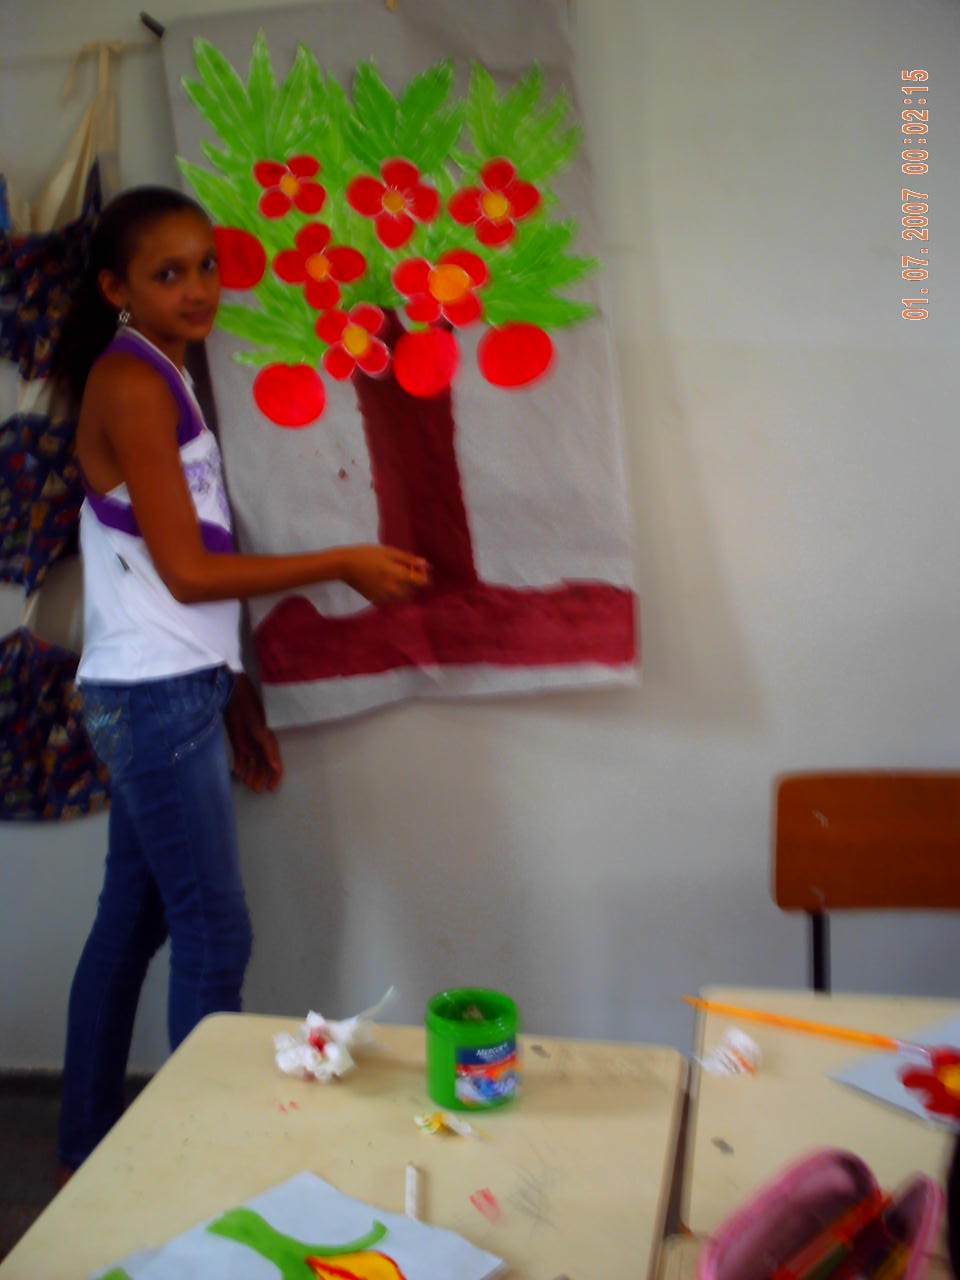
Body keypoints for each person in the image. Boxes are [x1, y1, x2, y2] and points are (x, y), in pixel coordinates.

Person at [50, 186, 430, 1175]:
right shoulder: (133, 382)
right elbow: (186, 572)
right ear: (117, 288)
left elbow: (185, 560)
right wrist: (340, 561)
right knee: (213, 931)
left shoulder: (165, 371)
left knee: (133, 921)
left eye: (207, 266)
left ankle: (85, 1150)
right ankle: (199, 1165)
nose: (197, 289)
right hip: (151, 694)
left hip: (171, 686)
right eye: (168, 273)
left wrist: (236, 689)